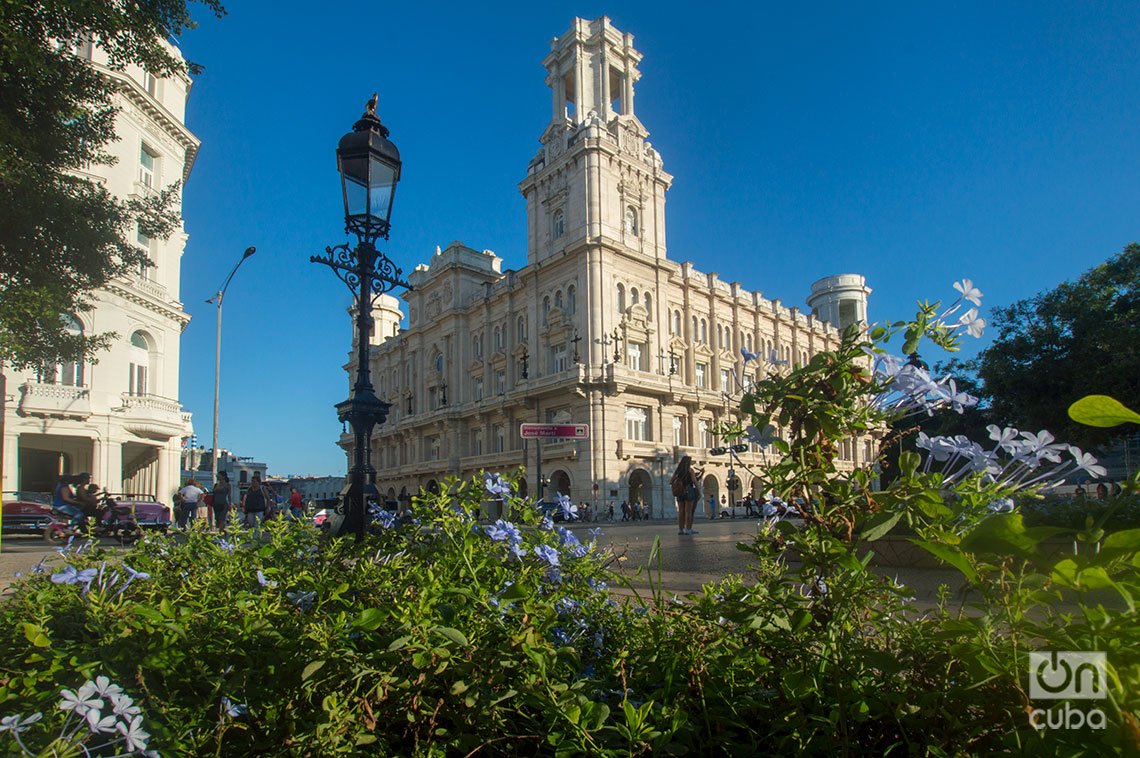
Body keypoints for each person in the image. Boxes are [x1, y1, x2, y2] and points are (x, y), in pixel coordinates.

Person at [671, 455, 703, 536]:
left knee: (681, 511)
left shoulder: (677, 471)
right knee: (688, 511)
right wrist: (699, 491)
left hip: (680, 492)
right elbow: (694, 481)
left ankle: (681, 529)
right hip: (689, 490)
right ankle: (688, 529)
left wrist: (678, 483)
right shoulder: (690, 470)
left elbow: (671, 481)